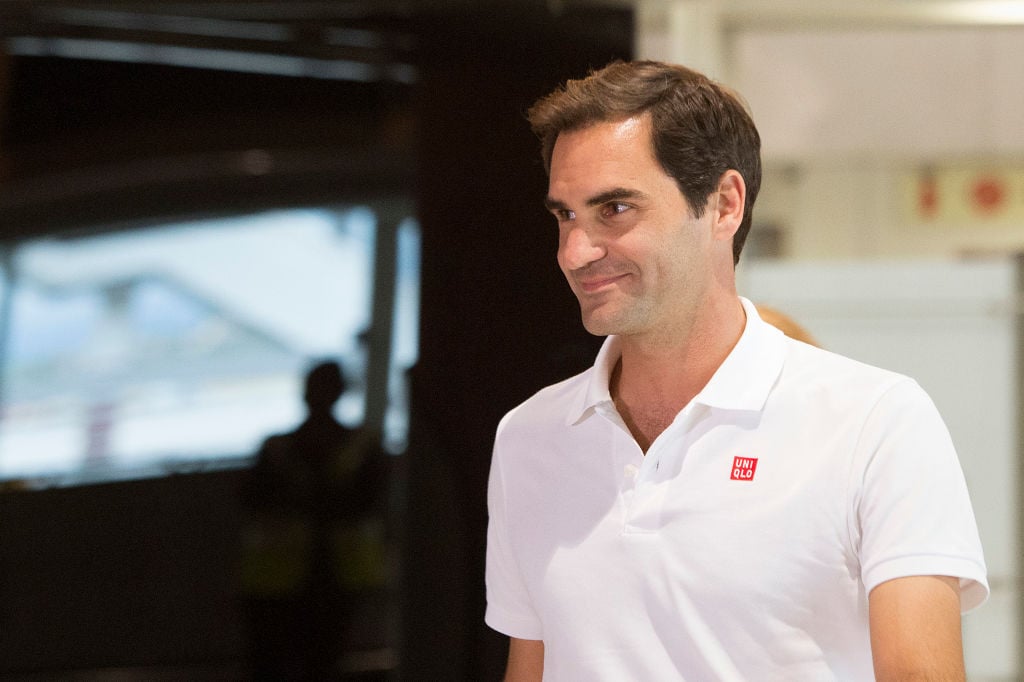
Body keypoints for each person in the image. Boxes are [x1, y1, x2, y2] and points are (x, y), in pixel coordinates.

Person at [485, 60, 987, 681]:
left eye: (613, 209)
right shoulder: (528, 438)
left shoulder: (875, 421)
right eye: (565, 215)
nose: (575, 252)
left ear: (724, 204)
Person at [240, 360, 389, 681]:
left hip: (315, 579)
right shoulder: (357, 447)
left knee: (308, 663)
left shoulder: (355, 448)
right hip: (297, 580)